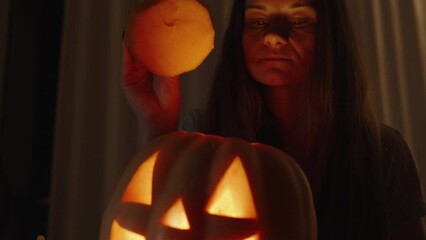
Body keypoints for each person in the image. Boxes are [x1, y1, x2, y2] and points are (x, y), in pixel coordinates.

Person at [121, 0, 426, 239]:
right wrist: (156, 124)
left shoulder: (384, 154)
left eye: (298, 20)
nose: (274, 37)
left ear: (331, 36)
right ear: (238, 37)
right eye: (258, 21)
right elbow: (152, 223)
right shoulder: (201, 134)